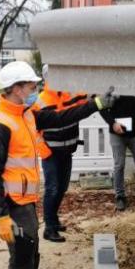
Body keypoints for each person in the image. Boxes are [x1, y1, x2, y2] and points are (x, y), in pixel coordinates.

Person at [0, 61, 115, 269]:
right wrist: (1, 216)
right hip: (12, 205)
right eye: (31, 85)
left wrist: (97, 104)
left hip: (26, 200)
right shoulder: (0, 125)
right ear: (17, 89)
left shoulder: (26, 115)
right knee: (21, 260)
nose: (36, 89)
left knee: (31, 257)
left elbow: (62, 117)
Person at [36, 64, 88, 243]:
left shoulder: (72, 93)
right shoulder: (41, 100)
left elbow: (87, 103)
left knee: (62, 187)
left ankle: (54, 219)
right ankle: (49, 228)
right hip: (51, 152)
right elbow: (34, 130)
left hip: (67, 150)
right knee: (52, 188)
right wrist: (44, 151)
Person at [99, 95, 135, 212]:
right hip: (117, 134)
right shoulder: (113, 87)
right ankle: (120, 197)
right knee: (119, 165)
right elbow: (101, 107)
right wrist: (112, 123)